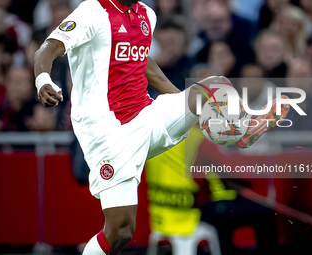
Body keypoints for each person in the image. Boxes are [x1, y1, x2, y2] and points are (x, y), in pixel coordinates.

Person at [34, 0, 287, 254]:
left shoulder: (147, 14)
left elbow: (146, 65)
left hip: (147, 114)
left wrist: (183, 102)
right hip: (108, 132)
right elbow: (49, 47)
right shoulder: (93, 11)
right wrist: (43, 78)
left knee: (213, 86)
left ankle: (243, 130)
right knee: (120, 231)